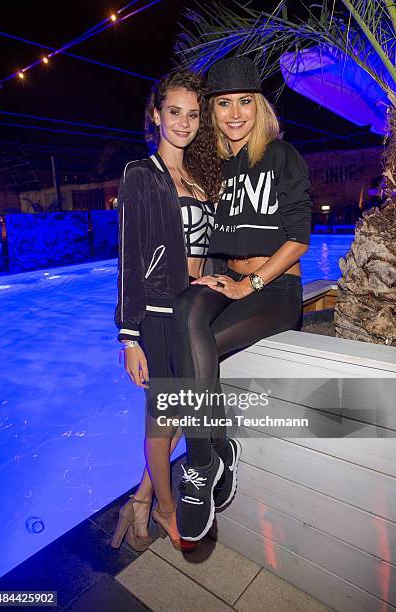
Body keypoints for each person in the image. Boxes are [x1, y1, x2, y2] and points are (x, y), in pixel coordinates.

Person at [172, 56, 312, 541]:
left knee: (189, 353)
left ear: (260, 106)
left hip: (272, 290)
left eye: (245, 102)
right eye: (224, 104)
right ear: (213, 111)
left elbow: (298, 238)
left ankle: (202, 460)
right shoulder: (215, 167)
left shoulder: (281, 155)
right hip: (227, 280)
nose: (234, 114)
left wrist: (248, 285)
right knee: (185, 310)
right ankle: (209, 454)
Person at [111, 69, 222, 552]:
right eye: (173, 112)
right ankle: (166, 507)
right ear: (156, 115)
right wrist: (128, 337)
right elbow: (129, 255)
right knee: (162, 424)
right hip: (157, 316)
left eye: (193, 114)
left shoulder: (200, 177)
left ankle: (139, 498)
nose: (183, 122)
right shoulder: (141, 174)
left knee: (178, 419)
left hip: (193, 313)